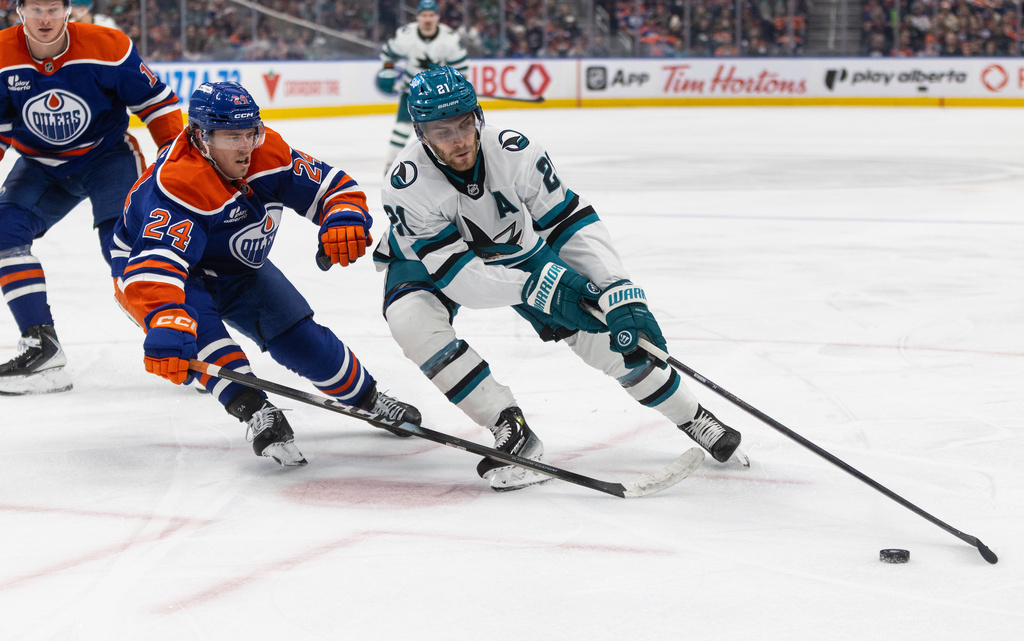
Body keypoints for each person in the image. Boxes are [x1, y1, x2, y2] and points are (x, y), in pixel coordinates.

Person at [375, 67, 742, 492]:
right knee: (411, 323)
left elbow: (568, 220)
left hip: (518, 248)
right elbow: (459, 277)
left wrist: (617, 289)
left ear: (478, 116)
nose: (458, 140)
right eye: (442, 132)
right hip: (426, 261)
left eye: (464, 124)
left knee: (604, 334)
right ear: (421, 134)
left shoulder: (515, 152)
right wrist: (537, 288)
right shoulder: (406, 184)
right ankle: (508, 426)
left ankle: (692, 416)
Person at [110, 81, 420, 467]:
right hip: (159, 274)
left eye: (250, 132)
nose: (245, 146)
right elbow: (157, 266)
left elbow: (333, 186)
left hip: (234, 263)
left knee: (302, 339)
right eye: (231, 137)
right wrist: (163, 316)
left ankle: (369, 398)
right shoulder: (180, 183)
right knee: (200, 336)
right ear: (201, 137)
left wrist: (343, 217)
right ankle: (255, 410)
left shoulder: (267, 151)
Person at [0, 0, 183, 395]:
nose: (45, 19)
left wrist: (176, 164)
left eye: (53, 9)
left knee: (122, 248)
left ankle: (185, 338)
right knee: (4, 233)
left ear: (69, 10)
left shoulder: (108, 46)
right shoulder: (1, 54)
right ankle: (42, 347)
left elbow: (158, 104)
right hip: (41, 165)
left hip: (107, 159)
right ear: (19, 11)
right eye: (36, 9)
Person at [377, 0, 467, 174]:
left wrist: (456, 85)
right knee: (401, 129)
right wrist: (387, 70)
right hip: (412, 92)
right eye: (424, 15)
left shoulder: (449, 38)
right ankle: (390, 166)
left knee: (444, 132)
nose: (427, 19)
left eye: (431, 15)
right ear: (418, 17)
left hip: (440, 95)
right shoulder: (406, 35)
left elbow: (461, 69)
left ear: (437, 17)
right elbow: (388, 54)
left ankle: (450, 165)